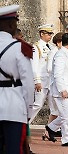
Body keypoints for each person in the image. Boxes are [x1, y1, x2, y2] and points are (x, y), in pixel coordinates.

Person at [0, 5, 34, 154]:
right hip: (14, 107)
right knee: (14, 150)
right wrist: (27, 112)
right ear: (11, 24)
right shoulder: (19, 48)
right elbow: (28, 85)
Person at [46, 33, 68, 146]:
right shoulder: (60, 55)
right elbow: (57, 74)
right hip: (63, 91)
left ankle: (51, 128)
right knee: (65, 116)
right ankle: (66, 139)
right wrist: (62, 89)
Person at [30, 24, 58, 142]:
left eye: (51, 33)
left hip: (52, 82)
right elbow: (34, 65)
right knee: (37, 105)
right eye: (48, 33)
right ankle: (23, 124)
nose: (50, 36)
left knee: (55, 108)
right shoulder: (36, 47)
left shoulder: (52, 47)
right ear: (42, 34)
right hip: (42, 81)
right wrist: (37, 81)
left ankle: (48, 131)